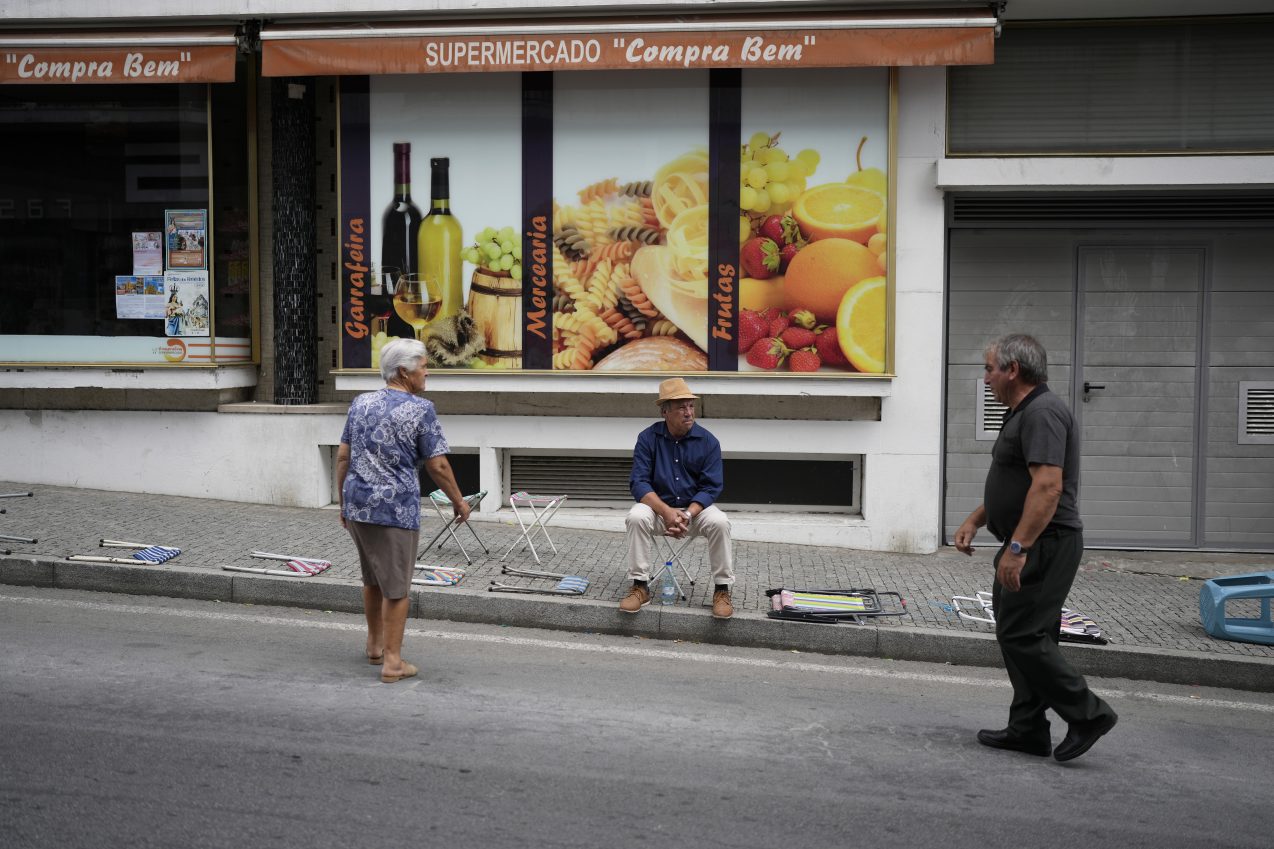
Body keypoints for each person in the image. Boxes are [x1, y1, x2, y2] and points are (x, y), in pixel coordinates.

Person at [955, 333, 1118, 762]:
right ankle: (1027, 729)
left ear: (1013, 370)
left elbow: (1047, 487)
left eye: (989, 368)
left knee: (1021, 634)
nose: (985, 377)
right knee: (1022, 635)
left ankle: (1089, 713)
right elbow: (1017, 483)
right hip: (1031, 541)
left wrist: (1019, 547)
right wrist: (977, 518)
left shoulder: (1042, 412)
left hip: (1044, 542)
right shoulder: (1022, 412)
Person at [336, 338, 469, 683]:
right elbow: (437, 466)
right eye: (423, 366)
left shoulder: (360, 403)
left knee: (372, 578)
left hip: (358, 504)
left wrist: (343, 503)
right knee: (396, 587)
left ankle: (375, 644)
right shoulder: (420, 409)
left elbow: (342, 457)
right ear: (402, 372)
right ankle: (392, 662)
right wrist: (459, 500)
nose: (427, 372)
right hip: (394, 510)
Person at [620, 377, 734, 619]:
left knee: (720, 522)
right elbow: (638, 483)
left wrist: (687, 514)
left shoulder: (708, 442)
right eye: (681, 407)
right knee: (636, 516)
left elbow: (712, 486)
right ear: (665, 412)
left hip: (694, 512)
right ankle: (640, 586)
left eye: (691, 406)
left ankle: (722, 589)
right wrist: (666, 512)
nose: (689, 412)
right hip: (659, 510)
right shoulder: (648, 438)